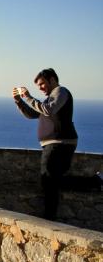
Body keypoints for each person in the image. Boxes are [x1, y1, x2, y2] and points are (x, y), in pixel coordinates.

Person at [13, 68, 102, 220]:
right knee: (53, 180)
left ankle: (50, 217)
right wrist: (19, 101)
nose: (40, 88)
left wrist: (27, 97)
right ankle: (95, 182)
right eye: (38, 86)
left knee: (48, 179)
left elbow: (47, 110)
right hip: (56, 143)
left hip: (59, 143)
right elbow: (33, 114)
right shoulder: (50, 99)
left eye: (42, 84)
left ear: (52, 80)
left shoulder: (61, 92)